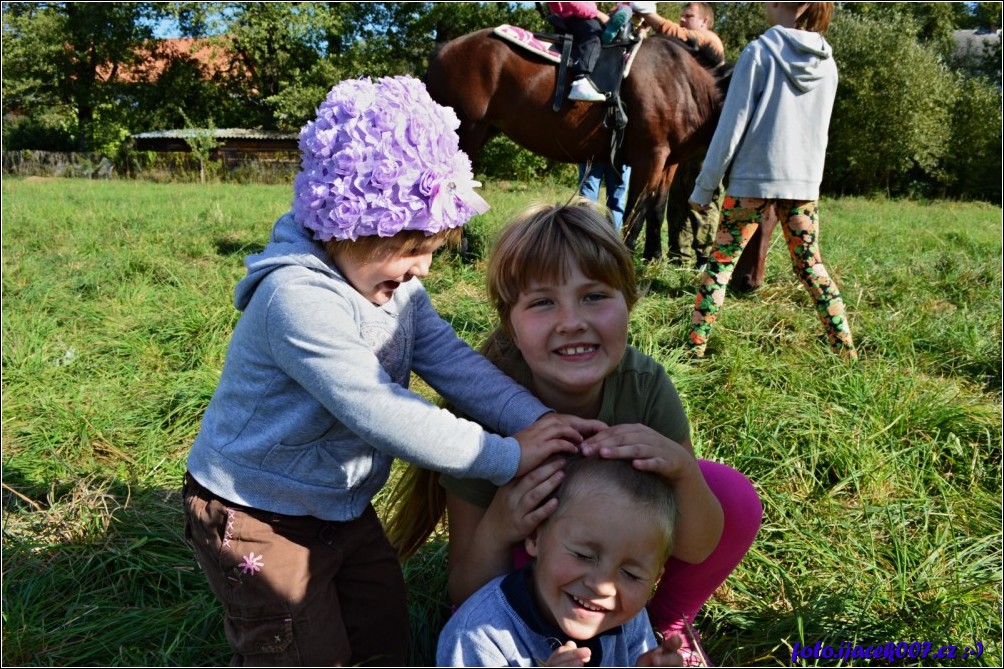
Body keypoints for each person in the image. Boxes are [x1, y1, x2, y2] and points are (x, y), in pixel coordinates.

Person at [181, 76, 602, 667]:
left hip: (339, 505)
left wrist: (542, 422)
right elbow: (377, 410)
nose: (423, 268)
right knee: (298, 646)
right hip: (257, 515)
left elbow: (451, 362)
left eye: (432, 248)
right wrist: (508, 454)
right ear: (350, 226)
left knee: (383, 632)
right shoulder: (297, 299)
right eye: (412, 247)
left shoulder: (393, 290)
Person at [387, 200, 763, 667]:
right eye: (543, 302)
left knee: (730, 495)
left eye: (594, 296)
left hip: (622, 562)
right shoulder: (485, 407)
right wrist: (502, 525)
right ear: (511, 322)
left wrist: (684, 474)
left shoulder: (645, 387)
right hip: (534, 574)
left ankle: (658, 625)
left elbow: (695, 545)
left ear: (630, 301)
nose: (572, 321)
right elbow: (466, 586)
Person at [686, 2, 858, 361]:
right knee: (811, 267)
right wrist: (810, 182)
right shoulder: (828, 63)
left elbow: (730, 127)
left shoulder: (759, 51)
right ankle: (846, 351)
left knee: (721, 264)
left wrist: (705, 187)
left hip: (751, 183)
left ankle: (695, 348)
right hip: (802, 186)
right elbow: (820, 133)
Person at [437, 456, 683, 667]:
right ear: (535, 536)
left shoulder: (629, 618)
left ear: (654, 579)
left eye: (631, 573)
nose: (602, 586)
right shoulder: (479, 634)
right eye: (584, 555)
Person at [661, 2, 726, 269]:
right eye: (682, 15)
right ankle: (680, 258)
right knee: (677, 199)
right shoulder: (684, 52)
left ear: (705, 22)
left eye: (689, 16)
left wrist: (649, 16)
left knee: (703, 200)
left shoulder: (709, 42)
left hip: (706, 140)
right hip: (685, 138)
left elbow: (676, 34)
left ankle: (705, 258)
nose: (682, 19)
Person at [549, 2, 614, 102]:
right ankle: (581, 81)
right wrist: (598, 14)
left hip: (577, 16)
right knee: (594, 36)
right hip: (573, 18)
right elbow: (574, 4)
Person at [578, 161, 632, 232]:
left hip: (593, 153)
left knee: (588, 197)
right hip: (620, 154)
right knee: (616, 202)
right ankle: (612, 240)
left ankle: (587, 238)